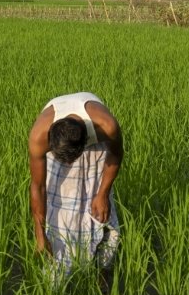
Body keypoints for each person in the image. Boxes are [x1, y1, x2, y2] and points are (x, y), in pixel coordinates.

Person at [28, 92, 123, 283]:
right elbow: (38, 187)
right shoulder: (39, 137)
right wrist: (39, 233)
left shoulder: (106, 126)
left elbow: (116, 154)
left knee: (99, 210)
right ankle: (60, 268)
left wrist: (102, 194)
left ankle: (101, 270)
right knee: (61, 210)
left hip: (96, 142)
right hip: (64, 142)